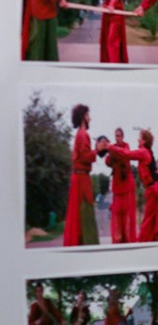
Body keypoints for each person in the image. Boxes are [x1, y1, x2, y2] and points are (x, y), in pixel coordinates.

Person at [101, 129, 158, 242]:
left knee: (149, 220)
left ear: (144, 141)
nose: (138, 140)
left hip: (155, 190)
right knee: (152, 220)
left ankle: (144, 242)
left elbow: (127, 154)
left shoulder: (144, 152)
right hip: (154, 189)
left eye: (140, 138)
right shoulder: (146, 152)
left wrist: (110, 147)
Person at [63, 104, 100, 246]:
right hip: (82, 178)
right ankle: (86, 245)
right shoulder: (84, 134)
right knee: (85, 213)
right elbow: (85, 157)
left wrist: (96, 151)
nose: (90, 118)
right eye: (88, 115)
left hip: (78, 177)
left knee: (77, 215)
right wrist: (97, 150)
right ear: (84, 117)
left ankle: (77, 243)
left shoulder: (79, 134)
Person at [105, 128, 138, 244]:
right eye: (116, 136)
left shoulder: (126, 146)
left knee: (127, 214)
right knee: (117, 214)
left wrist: (112, 150)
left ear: (123, 136)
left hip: (126, 185)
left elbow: (124, 155)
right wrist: (111, 152)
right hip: (117, 186)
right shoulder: (113, 148)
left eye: (119, 136)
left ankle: (128, 239)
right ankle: (118, 239)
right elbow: (108, 161)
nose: (117, 138)